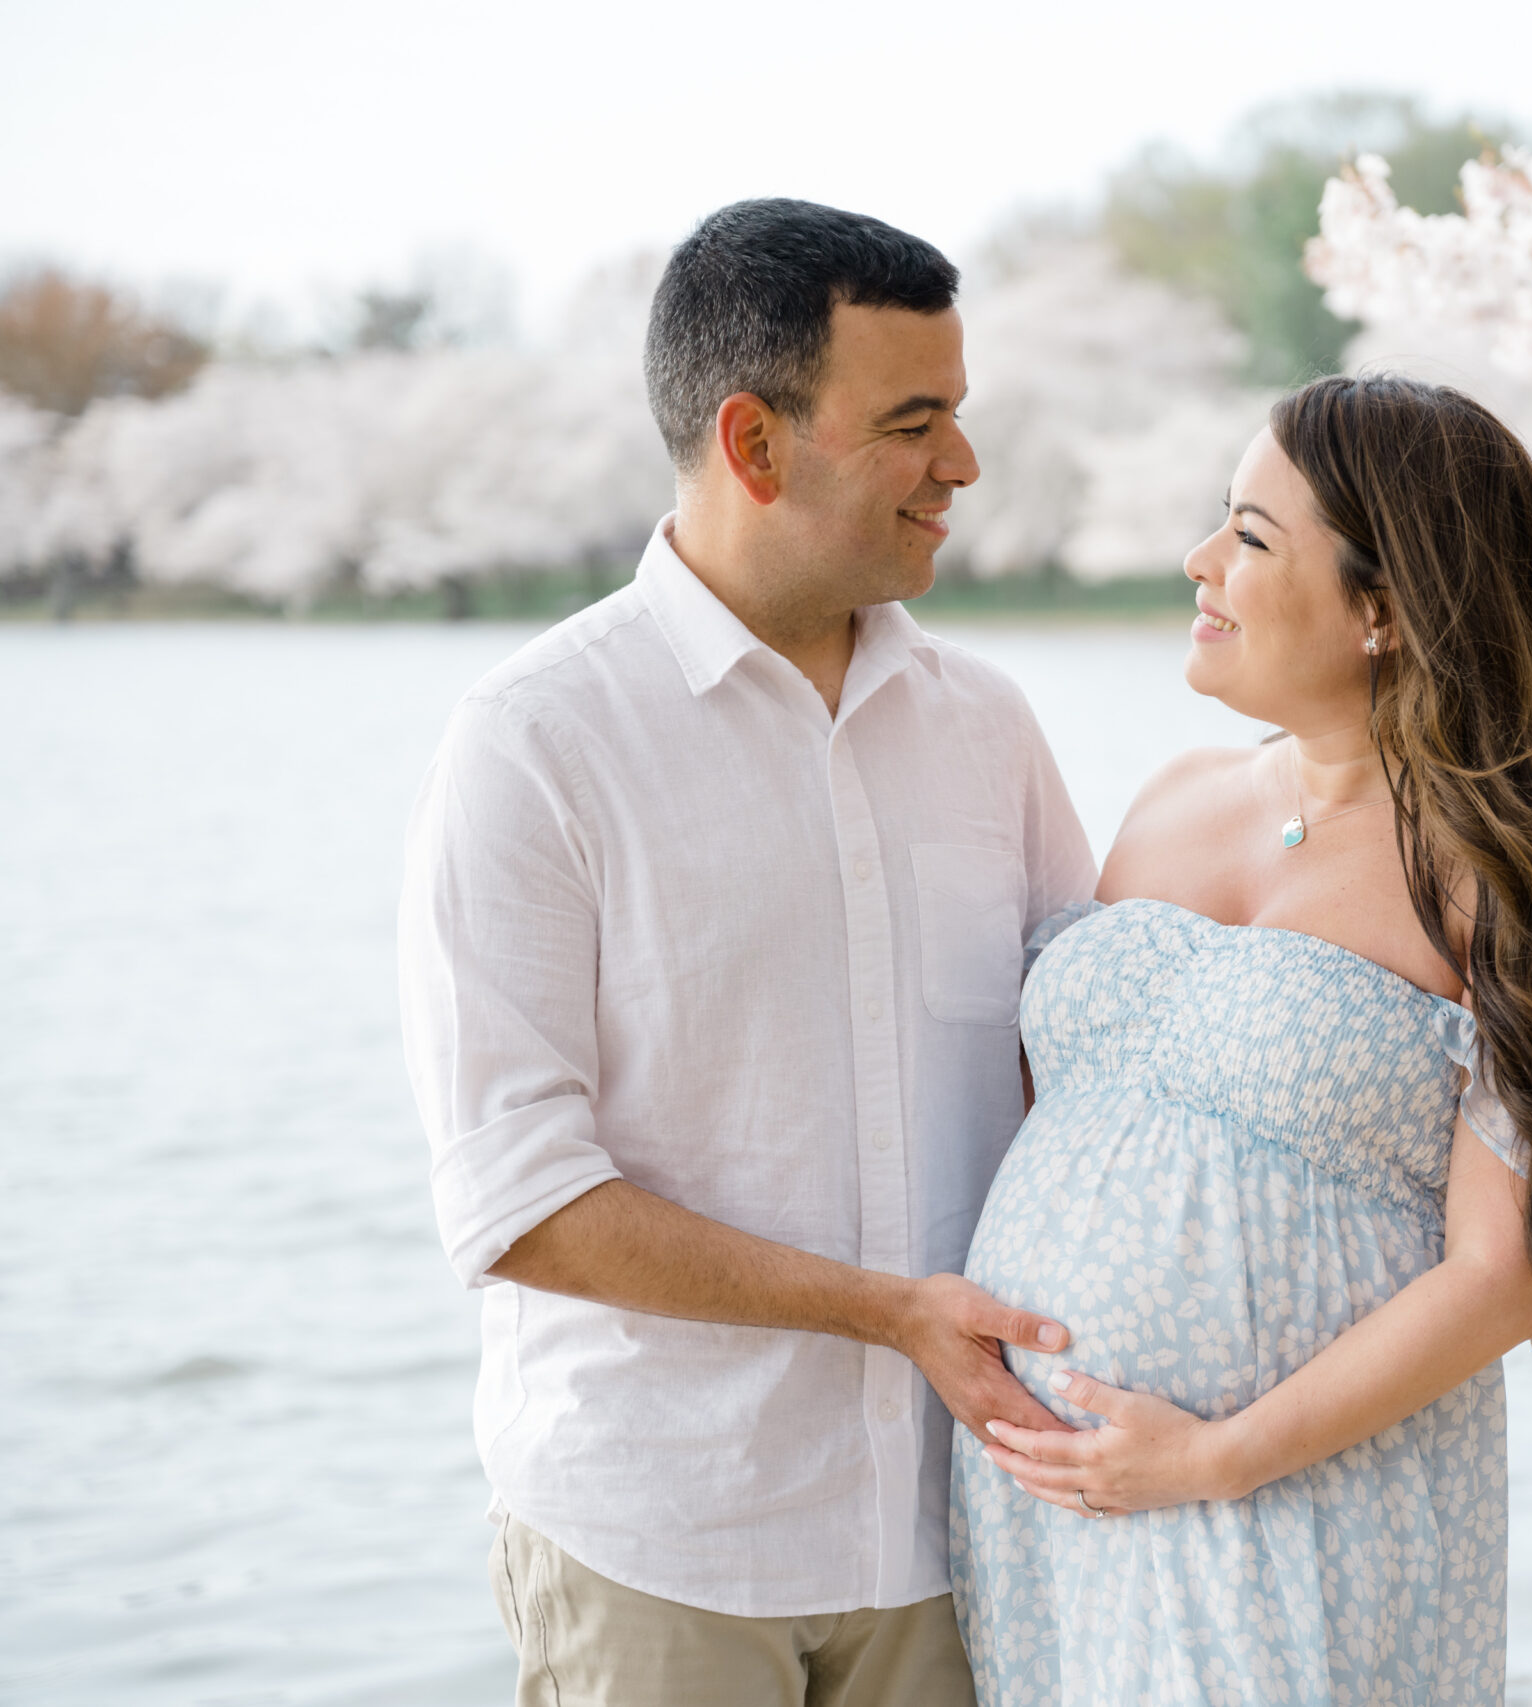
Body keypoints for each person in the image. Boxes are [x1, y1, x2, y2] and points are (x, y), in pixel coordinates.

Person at [397, 198, 1094, 1707]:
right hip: (662, 1542)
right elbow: (519, 1201)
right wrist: (885, 1311)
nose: (962, 467)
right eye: (915, 423)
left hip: (956, 1538)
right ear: (754, 443)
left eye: (959, 417)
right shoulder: (536, 744)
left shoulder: (989, 729)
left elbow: (1086, 1081)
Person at [948, 373, 1532, 1704]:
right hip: (1054, 1502)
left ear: (1387, 609)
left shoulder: (1512, 866)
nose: (1199, 561)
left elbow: (1508, 1270)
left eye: (1249, 536)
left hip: (1297, 1500)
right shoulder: (1175, 800)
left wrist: (1210, 1458)